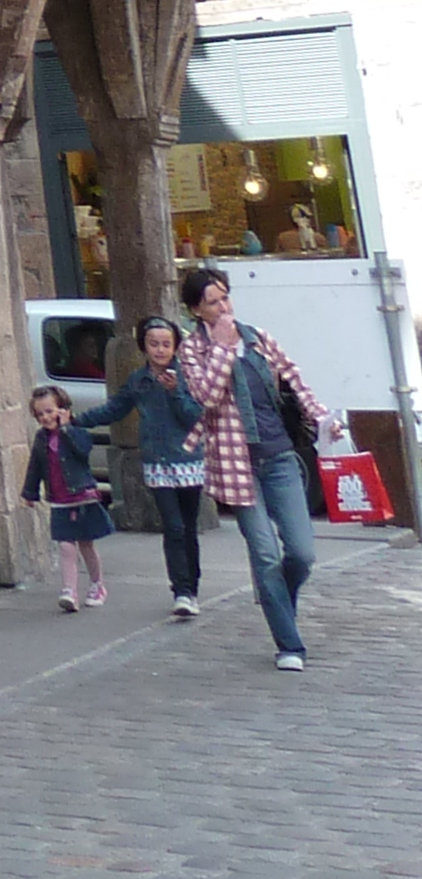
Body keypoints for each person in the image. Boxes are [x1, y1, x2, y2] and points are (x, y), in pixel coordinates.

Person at [179, 261, 336, 670]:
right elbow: (207, 396)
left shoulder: (258, 337)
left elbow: (294, 379)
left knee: (301, 552)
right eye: (211, 302)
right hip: (235, 464)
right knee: (265, 555)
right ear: (196, 310)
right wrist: (224, 348)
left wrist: (322, 417)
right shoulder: (192, 350)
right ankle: (290, 645)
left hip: (279, 454)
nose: (222, 307)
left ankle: (276, 598)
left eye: (224, 297)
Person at [97, 317, 213, 618]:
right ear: (144, 347)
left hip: (187, 460)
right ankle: (181, 591)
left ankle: (192, 588)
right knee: (172, 527)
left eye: (166, 344)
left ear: (175, 347)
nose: (160, 350)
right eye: (153, 344)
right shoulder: (139, 380)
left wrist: (176, 391)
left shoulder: (187, 375)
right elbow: (115, 408)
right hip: (158, 463)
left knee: (188, 528)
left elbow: (195, 417)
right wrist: (75, 421)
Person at [20, 385, 113, 608]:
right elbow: (35, 466)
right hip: (59, 500)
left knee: (86, 544)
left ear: (64, 410)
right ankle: (69, 590)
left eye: (50, 411)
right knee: (65, 546)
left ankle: (97, 584)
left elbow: (83, 451)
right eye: (40, 414)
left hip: (82, 496)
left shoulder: (77, 431)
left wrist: (66, 428)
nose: (45, 417)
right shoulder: (41, 439)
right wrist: (30, 492)